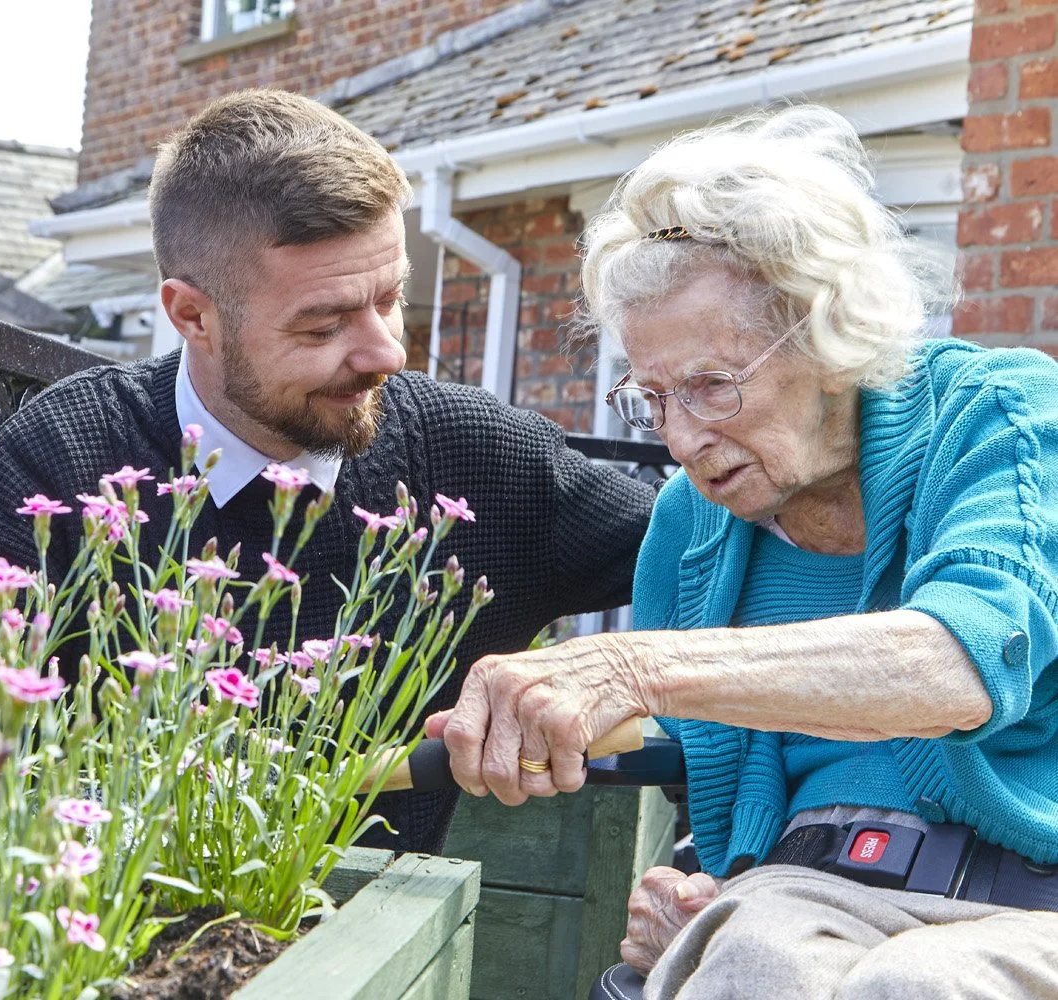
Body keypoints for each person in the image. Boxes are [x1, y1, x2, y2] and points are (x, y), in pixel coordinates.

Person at [429, 104, 1058, 998]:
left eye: (711, 387)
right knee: (754, 958)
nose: (681, 440)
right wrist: (691, 896)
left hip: (1033, 900)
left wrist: (634, 667)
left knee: (918, 986)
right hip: (805, 891)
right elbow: (717, 795)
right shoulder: (689, 530)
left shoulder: (998, 418)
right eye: (653, 397)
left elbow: (958, 665)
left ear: (829, 335)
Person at [0, 89, 655, 855]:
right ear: (191, 316)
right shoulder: (62, 461)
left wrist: (610, 669)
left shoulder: (480, 456)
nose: (387, 352)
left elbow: (731, 552)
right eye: (323, 325)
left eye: (392, 298)